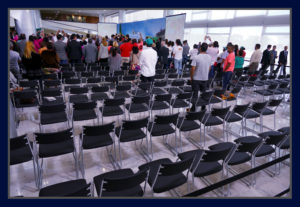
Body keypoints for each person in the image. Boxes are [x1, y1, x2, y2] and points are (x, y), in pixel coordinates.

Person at [190, 43, 211, 112]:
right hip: (205, 78)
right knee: (204, 93)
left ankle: (193, 107)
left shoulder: (196, 57)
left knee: (195, 94)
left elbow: (193, 68)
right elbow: (209, 67)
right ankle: (203, 106)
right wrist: (205, 73)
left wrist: (191, 77)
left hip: (196, 78)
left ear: (200, 48)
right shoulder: (209, 57)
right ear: (206, 49)